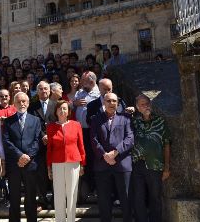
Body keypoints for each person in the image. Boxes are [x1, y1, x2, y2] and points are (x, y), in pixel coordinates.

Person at [90, 93, 134, 222]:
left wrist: (115, 153)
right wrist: (104, 155)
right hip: (102, 164)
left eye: (114, 101)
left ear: (118, 104)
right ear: (104, 102)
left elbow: (130, 139)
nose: (111, 103)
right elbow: (93, 139)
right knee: (103, 199)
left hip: (122, 163)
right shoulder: (96, 119)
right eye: (108, 100)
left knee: (126, 197)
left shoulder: (126, 118)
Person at [2, 92, 43, 222]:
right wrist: (19, 156)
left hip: (30, 164)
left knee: (31, 196)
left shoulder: (35, 120)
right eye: (19, 102)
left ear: (28, 103)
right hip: (14, 164)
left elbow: (37, 140)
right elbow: (6, 141)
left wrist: (27, 157)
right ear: (14, 104)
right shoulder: (8, 121)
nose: (22, 104)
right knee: (14, 197)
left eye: (24, 101)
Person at [131, 94, 170, 222]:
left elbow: (167, 145)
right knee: (138, 198)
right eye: (142, 104)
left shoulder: (160, 121)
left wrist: (167, 168)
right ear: (137, 108)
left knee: (155, 198)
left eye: (147, 103)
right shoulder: (134, 122)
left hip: (155, 165)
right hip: (137, 165)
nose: (146, 106)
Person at [46, 100, 86, 222]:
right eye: (60, 109)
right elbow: (49, 149)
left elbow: (81, 145)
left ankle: (71, 220)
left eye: (65, 108)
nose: (62, 111)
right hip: (57, 163)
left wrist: (83, 164)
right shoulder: (51, 126)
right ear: (56, 111)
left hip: (74, 163)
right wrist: (49, 167)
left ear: (69, 111)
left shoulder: (76, 124)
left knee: (72, 194)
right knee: (58, 194)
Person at [27, 81, 57, 211]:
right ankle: (42, 200)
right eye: (40, 89)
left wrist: (50, 136)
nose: (43, 91)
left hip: (54, 144)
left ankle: (56, 200)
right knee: (40, 174)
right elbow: (31, 124)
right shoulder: (32, 107)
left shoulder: (56, 105)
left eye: (45, 89)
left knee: (55, 173)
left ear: (49, 91)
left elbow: (59, 122)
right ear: (37, 91)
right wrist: (42, 136)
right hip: (38, 145)